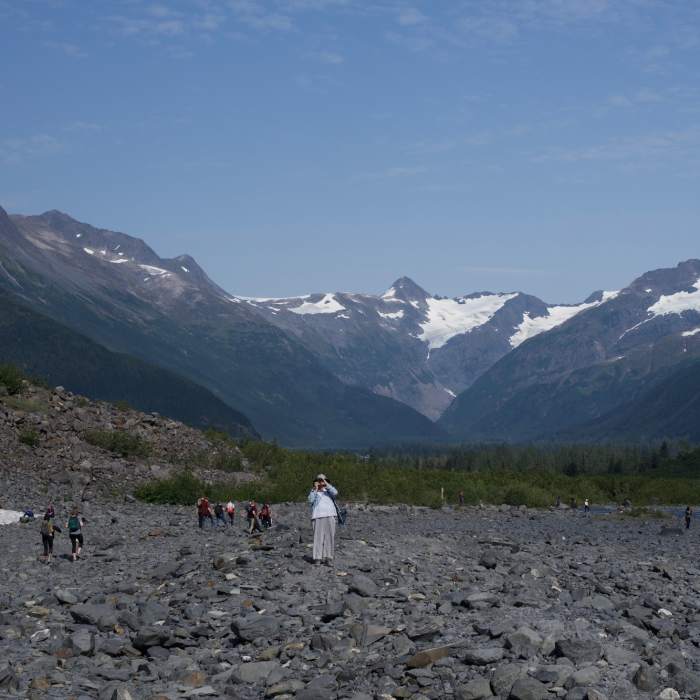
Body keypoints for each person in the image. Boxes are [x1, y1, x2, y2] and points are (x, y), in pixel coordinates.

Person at [308, 473, 338, 566]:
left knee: (330, 538)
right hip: (317, 516)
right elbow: (310, 500)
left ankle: (328, 558)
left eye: (323, 480)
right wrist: (315, 489)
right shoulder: (314, 491)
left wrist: (326, 484)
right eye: (319, 480)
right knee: (318, 538)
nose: (321, 482)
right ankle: (317, 558)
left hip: (330, 515)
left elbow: (335, 493)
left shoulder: (328, 491)